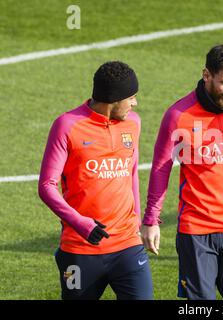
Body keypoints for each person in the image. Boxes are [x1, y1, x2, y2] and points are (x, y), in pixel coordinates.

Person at [141, 44, 223, 300]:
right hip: (196, 231)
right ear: (206, 75)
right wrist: (151, 220)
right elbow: (161, 168)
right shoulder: (178, 115)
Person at [38, 61, 153, 300]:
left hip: (127, 246)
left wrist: (137, 222)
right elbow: (47, 187)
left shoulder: (133, 124)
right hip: (79, 251)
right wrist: (82, 224)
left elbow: (131, 173)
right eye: (131, 97)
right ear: (113, 99)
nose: (135, 103)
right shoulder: (67, 126)